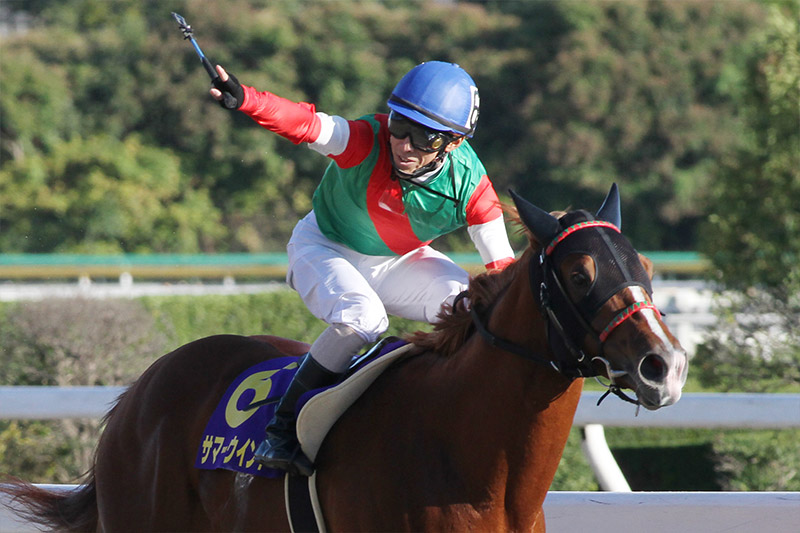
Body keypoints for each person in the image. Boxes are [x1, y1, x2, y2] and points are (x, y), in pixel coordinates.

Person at [209, 60, 515, 476]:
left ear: (454, 143)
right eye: (400, 126)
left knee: (468, 307)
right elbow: (307, 124)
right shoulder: (367, 139)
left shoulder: (473, 187)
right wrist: (246, 99)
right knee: (364, 318)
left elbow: (503, 273)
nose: (404, 145)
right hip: (322, 247)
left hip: (398, 262)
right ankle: (281, 428)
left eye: (425, 137)